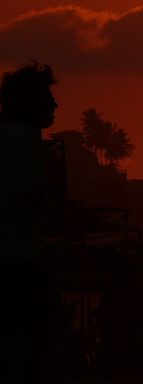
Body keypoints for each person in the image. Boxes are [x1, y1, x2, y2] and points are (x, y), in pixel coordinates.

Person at [0, 61, 62, 382]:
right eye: (47, 98)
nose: (54, 105)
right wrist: (65, 218)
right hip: (18, 263)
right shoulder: (22, 140)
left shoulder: (8, 137)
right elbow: (30, 197)